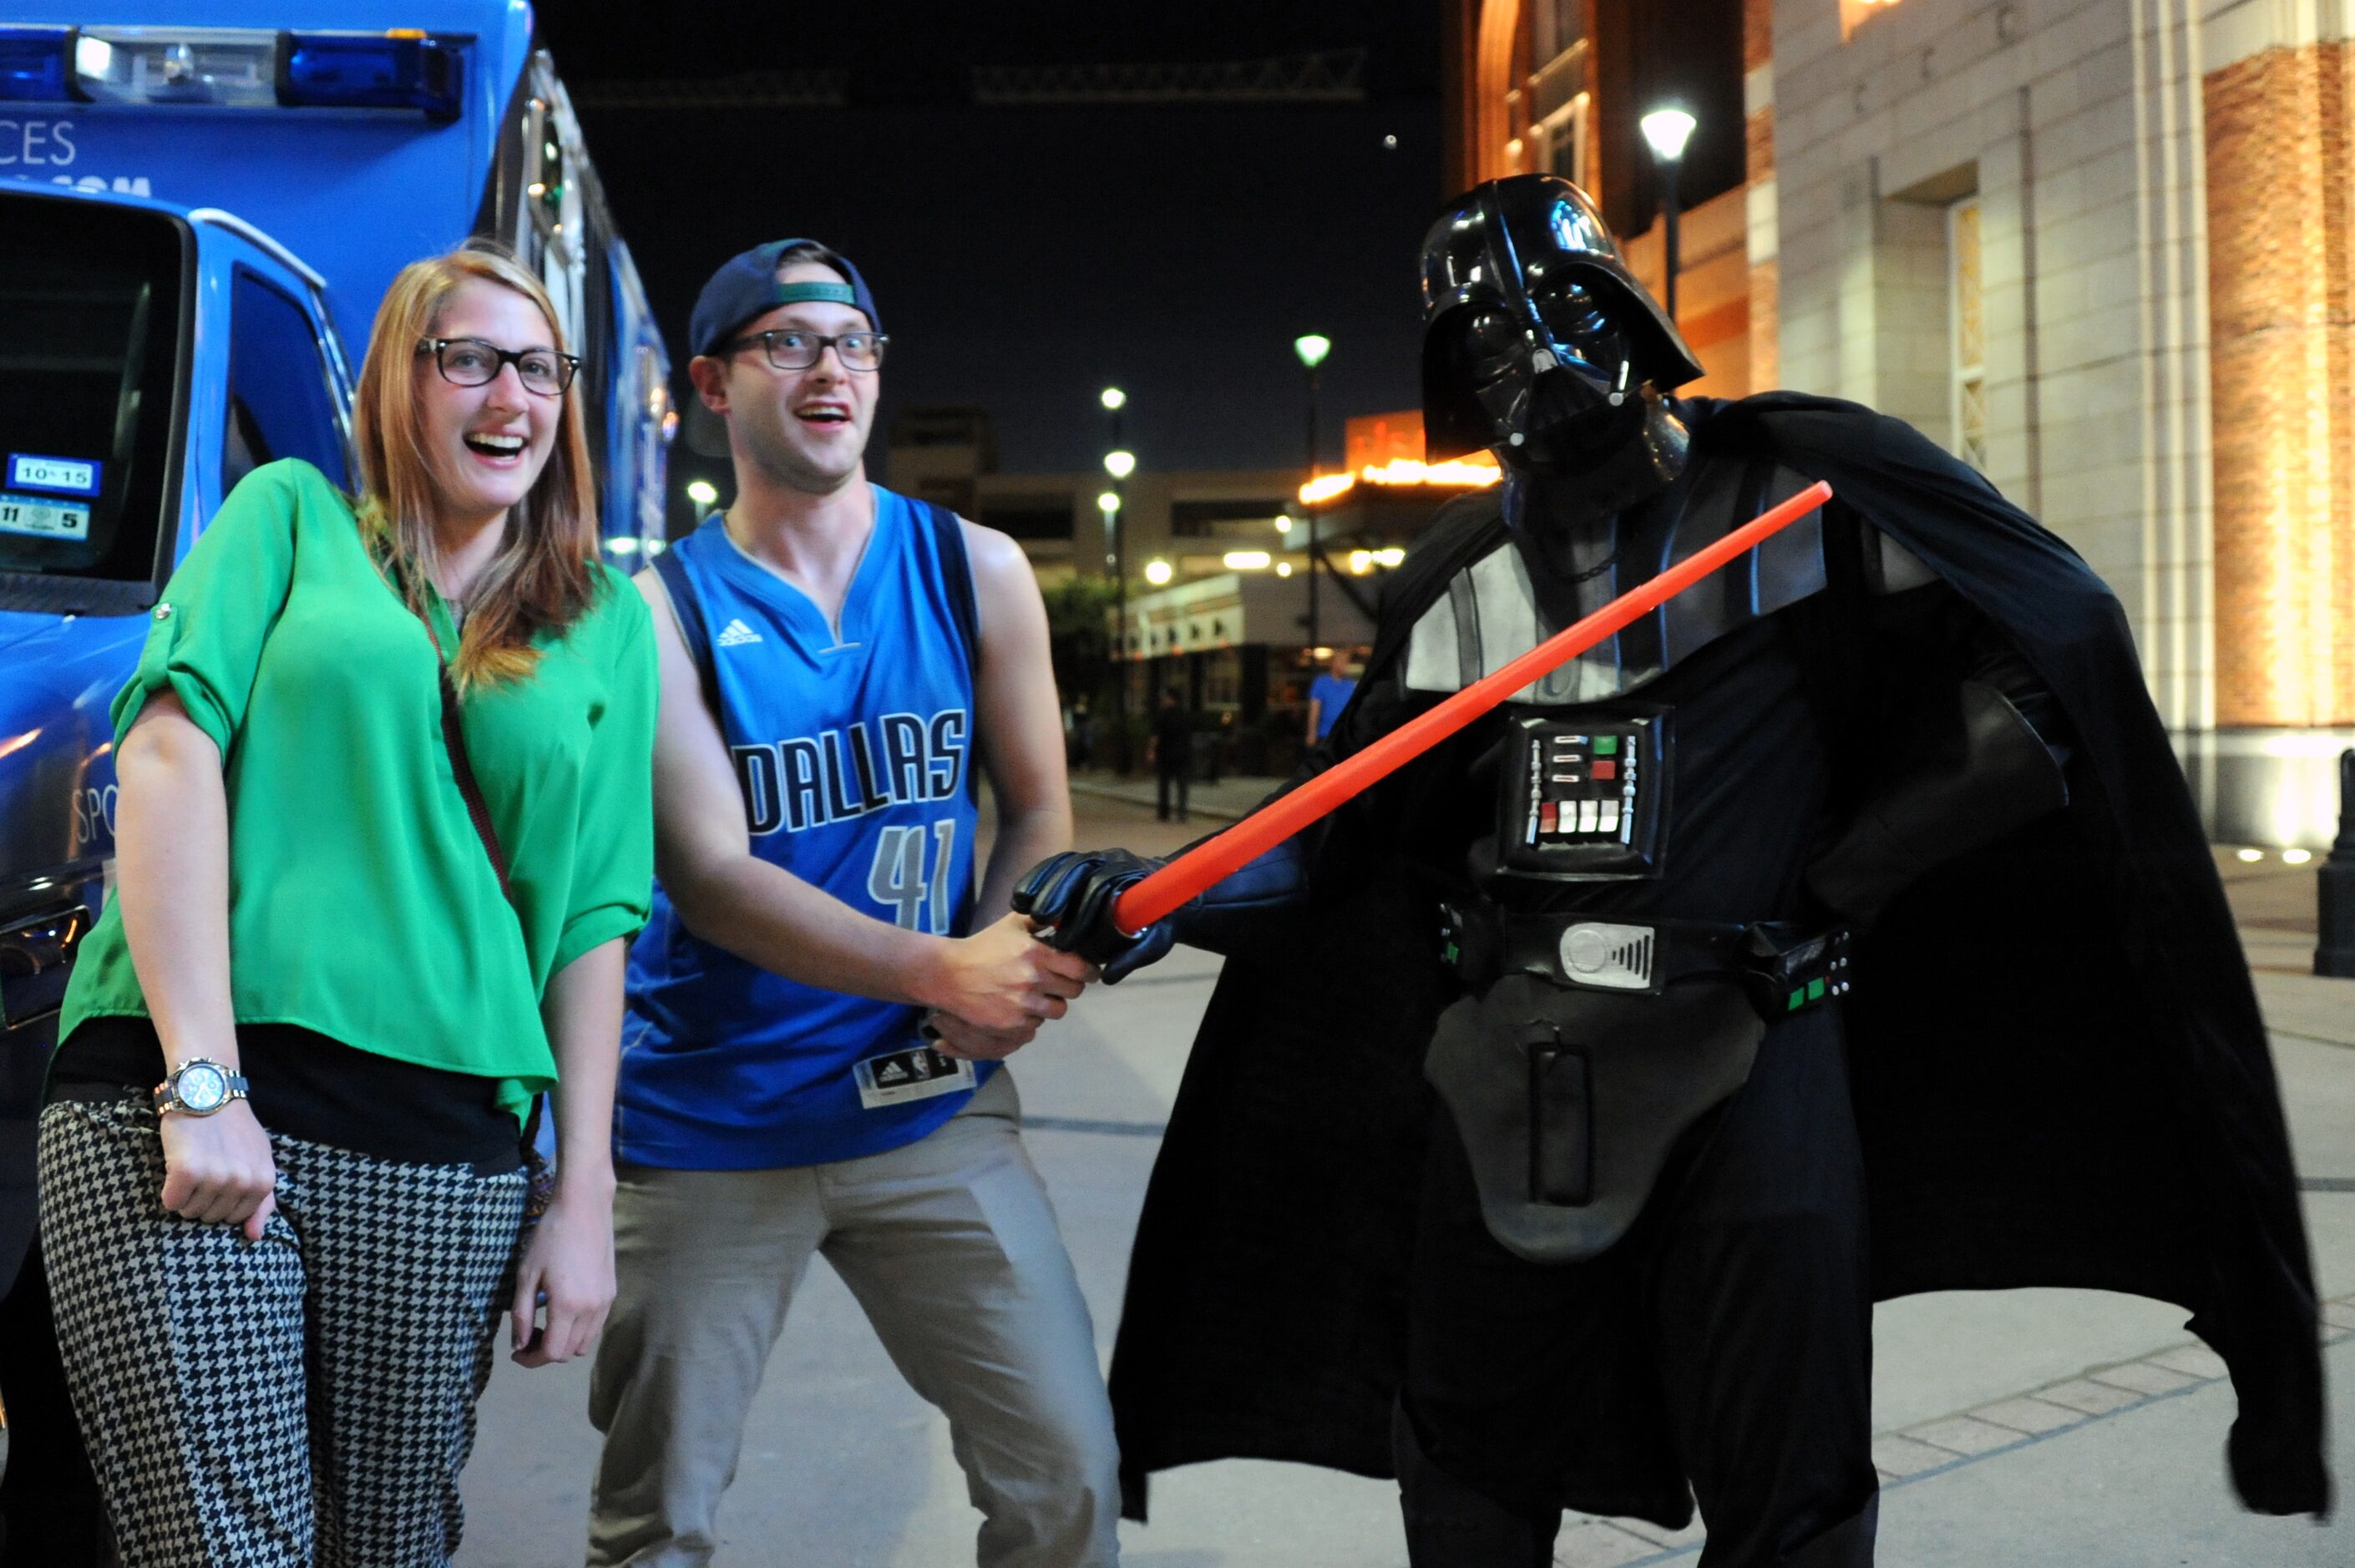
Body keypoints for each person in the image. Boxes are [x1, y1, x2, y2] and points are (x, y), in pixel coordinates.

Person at [1015, 174, 2327, 1564]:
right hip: (1509, 1060)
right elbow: (1349, 845)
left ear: (1635, 311)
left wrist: (1842, 881)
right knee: (1463, 1458)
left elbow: (2048, 666)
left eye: (1571, 306)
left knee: (1793, 1479)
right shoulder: (1454, 588)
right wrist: (1157, 894)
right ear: (1461, 375)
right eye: (1498, 337)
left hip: (1754, 1040)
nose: (1543, 350)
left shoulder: (1806, 493)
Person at [36, 244, 656, 1567]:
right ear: (398, 382)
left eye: (538, 367)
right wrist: (204, 1079)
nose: (511, 394)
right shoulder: (290, 517)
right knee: (218, 1546)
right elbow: (165, 752)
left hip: (442, 1145)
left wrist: (584, 1199)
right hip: (178, 1099)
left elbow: (596, 915)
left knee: (389, 1545)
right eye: (468, 358)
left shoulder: (601, 621)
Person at [586, 239, 1118, 1568]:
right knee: (661, 1524)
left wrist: (1016, 954)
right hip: (714, 1114)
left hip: (926, 1108)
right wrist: (946, 971)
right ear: (712, 383)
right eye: (787, 342)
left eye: (854, 342)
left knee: (1068, 1475)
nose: (830, 368)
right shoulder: (656, 610)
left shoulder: (972, 568)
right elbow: (713, 879)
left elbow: (1038, 806)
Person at [1150, 687, 1192, 822]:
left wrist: (1151, 750)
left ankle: (1164, 813)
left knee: (1164, 785)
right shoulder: (1185, 714)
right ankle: (1182, 813)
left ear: (1170, 699)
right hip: (1183, 753)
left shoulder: (1163, 714)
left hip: (1166, 754)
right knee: (1182, 785)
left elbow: (1156, 736)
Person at [1304, 650, 1355, 744]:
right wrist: (1312, 732)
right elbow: (1314, 709)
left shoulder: (1350, 684)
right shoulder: (1321, 682)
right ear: (1334, 663)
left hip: (1344, 736)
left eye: (1346, 662)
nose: (1345, 665)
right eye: (1342, 661)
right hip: (1325, 735)